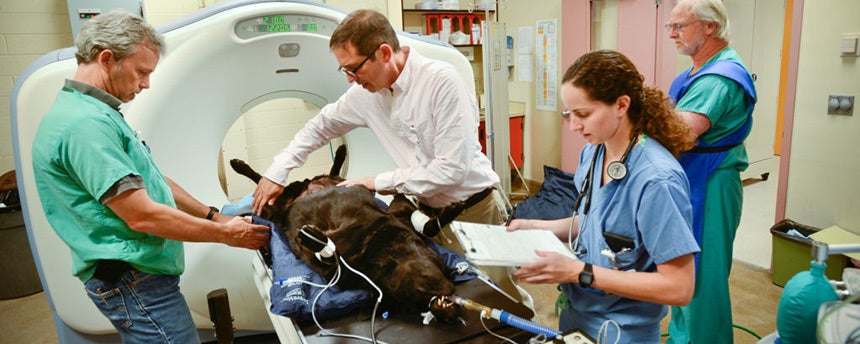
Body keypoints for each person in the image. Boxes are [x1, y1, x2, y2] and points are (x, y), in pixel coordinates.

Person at [31, 10, 271, 343]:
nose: (146, 84)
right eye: (142, 71)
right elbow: (142, 216)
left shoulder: (100, 113)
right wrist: (226, 236)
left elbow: (152, 179)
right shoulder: (85, 126)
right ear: (107, 58)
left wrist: (214, 216)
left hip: (141, 275)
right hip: (132, 279)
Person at [506, 50, 700, 343]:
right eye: (568, 114)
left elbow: (678, 288)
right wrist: (535, 227)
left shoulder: (657, 181)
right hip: (577, 315)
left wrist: (578, 272)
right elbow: (594, 223)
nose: (574, 126)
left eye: (583, 114)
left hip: (622, 330)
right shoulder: (594, 153)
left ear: (622, 104)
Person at [251, 9, 506, 226]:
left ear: (384, 53)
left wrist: (375, 182)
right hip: (426, 213)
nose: (350, 78)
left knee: (491, 284)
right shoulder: (365, 94)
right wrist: (278, 170)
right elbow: (321, 126)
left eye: (354, 68)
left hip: (474, 210)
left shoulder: (441, 82)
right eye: (344, 69)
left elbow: (451, 171)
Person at [664, 1, 757, 343]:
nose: (672, 34)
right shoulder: (693, 72)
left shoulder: (720, 77)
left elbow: (682, 133)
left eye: (680, 26)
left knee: (703, 278)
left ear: (710, 27)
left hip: (712, 183)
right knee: (681, 268)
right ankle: (681, 337)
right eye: (669, 26)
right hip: (690, 177)